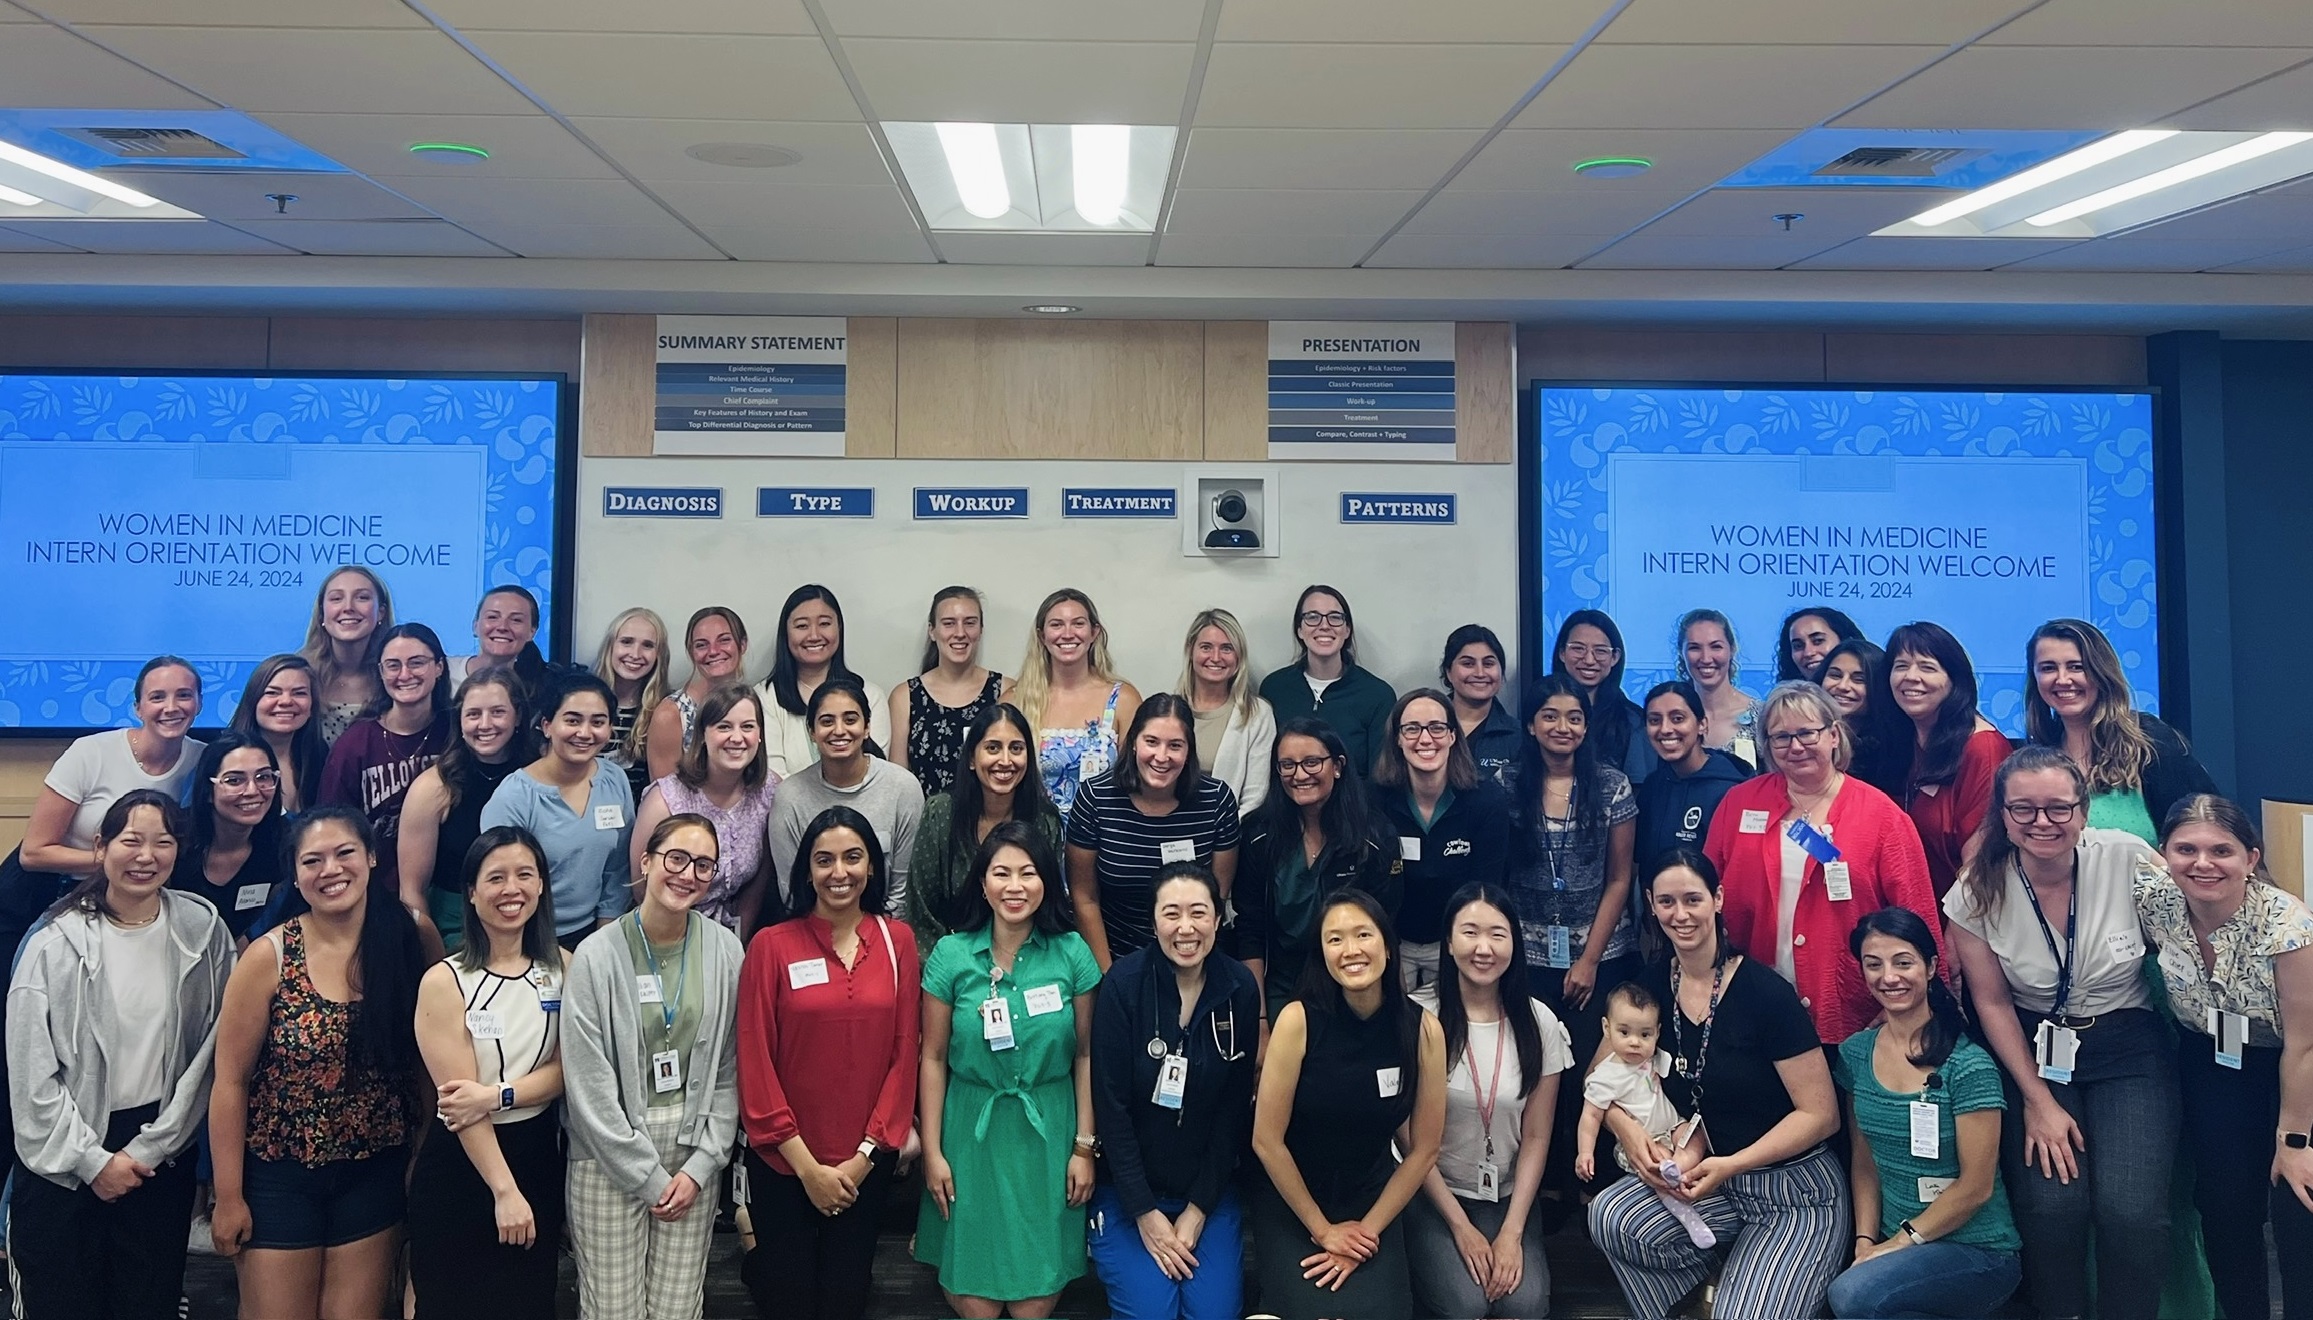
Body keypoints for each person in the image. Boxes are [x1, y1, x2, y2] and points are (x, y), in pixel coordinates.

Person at [1943, 745, 2173, 1320]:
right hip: (2034, 1051)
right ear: (2001, 813)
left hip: (2128, 1043)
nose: (2042, 822)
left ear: (2083, 808)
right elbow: (1991, 1001)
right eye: (2023, 809)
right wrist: (2037, 1100)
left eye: (2058, 808)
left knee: (2132, 1211)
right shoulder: (1977, 888)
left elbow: (2191, 921)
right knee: (2052, 1208)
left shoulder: (2128, 858)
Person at [1588, 849, 1845, 1320]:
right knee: (1612, 1217)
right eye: (1666, 901)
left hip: (1793, 1192)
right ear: (1650, 903)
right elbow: (1597, 1077)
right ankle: (1711, 1291)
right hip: (1708, 1185)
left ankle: (1747, 1288)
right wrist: (1626, 1129)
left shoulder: (1765, 993)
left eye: (1692, 899)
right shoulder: (1651, 985)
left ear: (1718, 899)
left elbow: (1821, 1115)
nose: (1680, 914)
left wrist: (1730, 1164)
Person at [6, 791, 232, 1319]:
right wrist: (92, 1161)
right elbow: (31, 1076)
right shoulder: (53, 943)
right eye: (131, 840)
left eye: (163, 842)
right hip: (63, 1157)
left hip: (157, 1152)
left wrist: (152, 1149)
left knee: (146, 1303)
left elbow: (209, 1055)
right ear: (101, 846)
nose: (145, 856)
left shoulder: (202, 930)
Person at [207, 807, 426, 1320]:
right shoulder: (269, 956)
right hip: (278, 1177)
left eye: (345, 852)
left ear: (371, 857)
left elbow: (424, 1063)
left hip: (375, 1171)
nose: (331, 869)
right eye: (313, 860)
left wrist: (423, 1156)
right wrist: (228, 1195)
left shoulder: (409, 938)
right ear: (297, 875)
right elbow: (230, 1082)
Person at [737, 807, 920, 1320]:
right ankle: (760, 1261)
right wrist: (808, 1169)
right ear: (805, 871)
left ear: (872, 868)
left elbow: (905, 1054)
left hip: (863, 1164)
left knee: (844, 1299)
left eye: (853, 858)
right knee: (787, 1301)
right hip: (784, 1163)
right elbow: (755, 1060)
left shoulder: (897, 941)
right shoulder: (771, 946)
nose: (839, 872)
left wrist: (864, 1158)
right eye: (824, 860)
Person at [914, 822, 1102, 1318]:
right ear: (982, 883)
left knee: (1032, 1304)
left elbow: (1085, 1055)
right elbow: (931, 1058)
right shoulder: (951, 956)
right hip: (969, 1134)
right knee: (975, 1302)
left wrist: (1085, 1146)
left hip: (1049, 1132)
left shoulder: (1072, 954)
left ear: (1047, 883)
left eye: (1029, 873)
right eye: (1002, 873)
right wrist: (932, 1152)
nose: (1015, 886)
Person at [2136, 794, 2313, 1320]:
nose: (2202, 863)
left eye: (2222, 850)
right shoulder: (2155, 898)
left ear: (2251, 858)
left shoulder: (2288, 927)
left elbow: (2306, 1044)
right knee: (2224, 1211)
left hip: (2294, 1070)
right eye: (2185, 849)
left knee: (2297, 1207)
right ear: (2164, 853)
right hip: (2213, 1063)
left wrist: (2294, 1142)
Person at [562, 813, 743, 1320]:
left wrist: (705, 1163)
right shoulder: (596, 956)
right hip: (608, 1155)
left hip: (692, 1155)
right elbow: (587, 1084)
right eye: (677, 858)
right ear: (646, 861)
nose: (688, 874)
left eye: (703, 865)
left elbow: (730, 1068)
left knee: (679, 1308)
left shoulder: (727, 950)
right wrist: (647, 1177)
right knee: (612, 1310)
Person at [1704, 681, 1946, 1045]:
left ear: (1834, 735)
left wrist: (1909, 1000)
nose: (1795, 746)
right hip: (1752, 1000)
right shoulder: (1738, 804)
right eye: (1781, 737)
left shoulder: (1882, 817)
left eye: (1807, 733)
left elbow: (1917, 918)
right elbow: (1707, 894)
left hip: (1852, 1009)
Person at [1250, 889, 1446, 1320]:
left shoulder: (1424, 1031)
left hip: (1371, 1198)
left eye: (1363, 934)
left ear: (1389, 948)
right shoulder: (1297, 1020)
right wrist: (1322, 1230)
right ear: (1321, 954)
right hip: (1293, 1197)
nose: (1351, 950)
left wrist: (1365, 1234)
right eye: (1334, 939)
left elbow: (1425, 1149)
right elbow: (1266, 1140)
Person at [1828, 906, 2022, 1320]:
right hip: (1893, 1246)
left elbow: (1976, 1187)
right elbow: (1865, 1161)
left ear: (1932, 966)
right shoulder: (1855, 1054)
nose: (1889, 977)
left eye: (1903, 962)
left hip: (1976, 1249)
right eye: (1873, 964)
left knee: (1852, 1297)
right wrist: (1865, 1240)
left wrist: (1900, 1242)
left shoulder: (1968, 1066)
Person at [407, 826, 569, 1320]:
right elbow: (458, 1102)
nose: (511, 890)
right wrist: (504, 1190)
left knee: (526, 1303)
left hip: (538, 1156)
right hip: (464, 1164)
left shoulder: (566, 967)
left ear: (541, 886)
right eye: (495, 878)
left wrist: (496, 1094)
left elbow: (568, 1071)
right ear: (472, 893)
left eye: (524, 875)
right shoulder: (444, 980)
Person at [1087, 863, 1260, 1320]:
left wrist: (1198, 1209)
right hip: (1126, 1193)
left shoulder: (1238, 988)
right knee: (1151, 1314)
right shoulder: (1123, 985)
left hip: (1206, 1191)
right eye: (1172, 914)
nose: (1186, 928)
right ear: (1154, 922)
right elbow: (1111, 1107)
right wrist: (1144, 1211)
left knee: (1214, 1314)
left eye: (1199, 913)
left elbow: (1232, 1112)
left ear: (1218, 920)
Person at [1405, 883, 1573, 1319]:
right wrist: (1460, 1227)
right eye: (1470, 932)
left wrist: (1513, 1231)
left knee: (1526, 1305)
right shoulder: (1418, 1018)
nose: (1484, 948)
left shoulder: (1541, 1022)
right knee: (1465, 1304)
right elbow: (1407, 1138)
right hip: (1435, 1193)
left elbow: (1537, 1136)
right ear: (1448, 940)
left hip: (1508, 1198)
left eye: (1497, 934)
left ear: (1515, 944)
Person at [1507, 673, 1638, 1123]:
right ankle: (1544, 1183)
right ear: (1531, 725)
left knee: (1594, 1076)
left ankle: (1587, 1183)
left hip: (1601, 957)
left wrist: (1588, 960)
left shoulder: (1611, 786)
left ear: (1586, 727)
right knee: (1534, 1073)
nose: (1563, 727)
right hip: (1526, 958)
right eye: (1550, 716)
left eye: (1574, 717)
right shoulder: (1507, 785)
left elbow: (1620, 879)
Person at [1235, 718, 1400, 1019]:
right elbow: (1250, 931)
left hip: (1354, 984)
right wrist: (1258, 1019)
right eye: (1287, 765)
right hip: (1281, 987)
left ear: (1337, 766)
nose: (1299, 775)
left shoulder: (1374, 837)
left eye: (1312, 762)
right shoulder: (1258, 836)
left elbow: (1386, 926)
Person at [1067, 693, 1242, 969]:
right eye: (1151, 742)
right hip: (1114, 957)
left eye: (1175, 745)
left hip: (1192, 957)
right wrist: (1111, 976)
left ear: (1188, 752)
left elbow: (1215, 897)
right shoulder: (1095, 798)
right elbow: (1084, 897)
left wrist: (1190, 966)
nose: (1162, 757)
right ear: (1134, 742)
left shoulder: (1216, 801)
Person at [14, 654, 206, 885]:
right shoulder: (89, 752)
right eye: (157, 697)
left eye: (184, 695)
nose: (171, 707)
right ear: (138, 708)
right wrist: (120, 859)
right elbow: (33, 853)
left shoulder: (204, 759)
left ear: (199, 703)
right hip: (75, 891)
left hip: (156, 893)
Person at [2025, 617, 2218, 843]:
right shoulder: (2037, 757)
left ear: (2101, 672)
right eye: (2048, 668)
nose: (2063, 679)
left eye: (2077, 667)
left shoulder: (2149, 742)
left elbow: (2211, 829)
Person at [482, 673, 637, 950]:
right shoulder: (515, 797)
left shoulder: (615, 780)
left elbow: (618, 870)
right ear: (547, 725)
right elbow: (498, 883)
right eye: (573, 720)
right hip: (524, 936)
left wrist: (603, 939)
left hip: (596, 932)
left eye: (598, 722)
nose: (585, 733)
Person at [1858, 622, 2011, 901]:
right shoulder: (1903, 742)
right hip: (1907, 916)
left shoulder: (1982, 747)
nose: (1911, 677)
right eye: (1901, 666)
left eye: (1927, 667)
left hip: (1964, 917)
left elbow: (1979, 868)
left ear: (1955, 680)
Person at [1373, 689, 1511, 990]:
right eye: (1411, 729)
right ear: (1397, 738)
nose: (1425, 739)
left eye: (1436, 728)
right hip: (1393, 943)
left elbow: (1487, 889)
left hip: (1458, 943)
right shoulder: (1375, 800)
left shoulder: (1486, 801)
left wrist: (1461, 947)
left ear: (1452, 736)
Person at [907, 703, 1064, 953]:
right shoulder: (940, 814)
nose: (1005, 761)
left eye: (1016, 749)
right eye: (993, 748)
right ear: (971, 758)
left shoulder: (1045, 823)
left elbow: (1050, 909)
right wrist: (948, 971)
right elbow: (921, 910)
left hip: (1026, 960)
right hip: (951, 964)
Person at [399, 667, 533, 956]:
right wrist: (434, 959)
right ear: (459, 721)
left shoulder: (539, 776)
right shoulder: (432, 787)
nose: (485, 724)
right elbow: (412, 891)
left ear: (518, 716)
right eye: (473, 714)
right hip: (454, 929)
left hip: (530, 922)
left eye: (498, 712)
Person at [319, 622, 457, 900]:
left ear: (439, 667)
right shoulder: (356, 742)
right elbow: (330, 824)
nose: (405, 674)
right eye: (393, 665)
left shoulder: (459, 731)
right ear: (380, 672)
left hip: (451, 890)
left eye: (417, 663)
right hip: (375, 893)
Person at [634, 685, 780, 936]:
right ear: (702, 735)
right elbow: (641, 885)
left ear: (760, 736)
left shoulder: (770, 791)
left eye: (747, 727)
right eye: (724, 727)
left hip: (732, 934)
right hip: (667, 930)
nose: (737, 738)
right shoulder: (665, 800)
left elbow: (759, 883)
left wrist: (736, 944)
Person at [767, 681, 923, 918]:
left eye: (850, 720)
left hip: (885, 929)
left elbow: (902, 895)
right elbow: (792, 893)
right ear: (812, 731)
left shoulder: (903, 788)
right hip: (811, 930)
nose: (839, 730)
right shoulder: (790, 797)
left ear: (867, 727)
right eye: (827, 721)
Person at [1575, 984, 1714, 1248]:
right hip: (1643, 1142)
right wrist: (1585, 1152)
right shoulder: (1604, 1077)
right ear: (1607, 1029)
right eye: (1624, 1032)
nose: (1635, 1042)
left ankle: (1681, 1169)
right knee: (1657, 1164)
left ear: (1657, 1034)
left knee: (1695, 1135)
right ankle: (1688, 1216)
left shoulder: (1654, 1058)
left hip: (1672, 1126)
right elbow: (1590, 1117)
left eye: (1645, 1034)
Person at [1007, 588, 1141, 825]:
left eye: (1078, 624)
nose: (1067, 634)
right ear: (1042, 635)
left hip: (1104, 836)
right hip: (1033, 842)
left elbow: (1139, 780)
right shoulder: (1015, 702)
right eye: (1056, 625)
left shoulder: (1123, 700)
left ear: (1094, 632)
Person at [1258, 585, 1395, 777]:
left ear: (1347, 630)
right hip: (1287, 804)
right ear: (1299, 629)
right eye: (1312, 617)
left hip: (1354, 806)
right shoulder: (1274, 688)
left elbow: (1380, 777)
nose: (1324, 625)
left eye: (1335, 617)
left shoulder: (1377, 695)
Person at [761, 585, 891, 779]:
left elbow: (876, 773)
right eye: (802, 626)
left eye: (824, 624)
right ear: (786, 632)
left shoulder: (871, 696)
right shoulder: (765, 697)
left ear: (838, 628)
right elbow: (773, 776)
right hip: (794, 808)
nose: (814, 636)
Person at [170, 733, 287, 945]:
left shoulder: (286, 843)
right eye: (234, 780)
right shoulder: (174, 839)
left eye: (263, 777)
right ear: (207, 791)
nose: (252, 791)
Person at [892, 586, 1006, 799]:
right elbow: (899, 783)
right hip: (925, 826)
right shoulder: (906, 696)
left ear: (981, 629)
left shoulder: (1006, 691)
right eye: (949, 623)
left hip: (990, 827)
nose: (960, 633)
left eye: (970, 623)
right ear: (932, 631)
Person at [1634, 681, 1748, 888]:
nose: (1666, 729)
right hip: (1657, 914)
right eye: (1654, 720)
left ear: (1702, 724)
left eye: (1678, 719)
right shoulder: (1652, 787)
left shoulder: (1732, 790)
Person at [1175, 608, 1276, 816]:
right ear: (1190, 651)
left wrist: (1224, 838)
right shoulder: (1170, 710)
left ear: (1239, 656)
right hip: (1171, 832)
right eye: (1206, 647)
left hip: (1232, 837)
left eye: (1227, 648)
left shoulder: (1257, 714)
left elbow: (1255, 798)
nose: (1215, 657)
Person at [1551, 608, 1657, 782]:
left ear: (1615, 657)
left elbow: (1641, 791)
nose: (1589, 660)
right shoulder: (1541, 712)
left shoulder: (1633, 721)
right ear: (1562, 653)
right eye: (1578, 648)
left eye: (1600, 651)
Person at [647, 606, 750, 783]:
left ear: (742, 645)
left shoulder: (754, 704)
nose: (713, 651)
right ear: (691, 652)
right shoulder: (671, 714)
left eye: (724, 640)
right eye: (701, 645)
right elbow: (663, 796)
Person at [298, 566, 392, 745]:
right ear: (322, 614)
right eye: (336, 598)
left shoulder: (398, 677)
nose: (348, 607)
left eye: (362, 597)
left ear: (381, 612)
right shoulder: (298, 675)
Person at [228, 653, 325, 814]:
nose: (286, 701)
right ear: (253, 701)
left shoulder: (320, 756)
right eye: (272, 692)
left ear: (312, 707)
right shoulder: (223, 758)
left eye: (299, 693)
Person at [595, 606, 672, 804]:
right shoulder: (580, 698)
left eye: (647, 645)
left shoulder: (667, 710)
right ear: (610, 646)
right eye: (626, 642)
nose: (635, 654)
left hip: (640, 821)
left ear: (659, 655)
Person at [1440, 625, 1523, 791]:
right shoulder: (1425, 727)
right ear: (1449, 672)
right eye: (1468, 663)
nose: (1479, 673)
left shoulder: (1518, 736)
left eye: (1488, 663)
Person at [1675, 609, 1758, 764]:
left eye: (1716, 647)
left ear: (1732, 649)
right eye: (1695, 648)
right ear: (1681, 652)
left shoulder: (1762, 717)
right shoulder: (1669, 719)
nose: (1706, 658)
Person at [446, 585, 549, 692]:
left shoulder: (541, 690)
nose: (502, 627)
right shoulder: (441, 673)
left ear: (532, 632)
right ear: (475, 626)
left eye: (516, 620)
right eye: (492, 617)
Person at [1814, 637, 1888, 772]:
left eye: (1859, 679)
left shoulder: (1894, 750)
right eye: (1835, 675)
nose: (1843, 686)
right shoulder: (1801, 738)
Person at [1777, 606, 1865, 684]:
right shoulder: (1783, 701)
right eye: (1798, 646)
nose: (1808, 653)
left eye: (1818, 641)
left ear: (1846, 641)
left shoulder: (1876, 696)